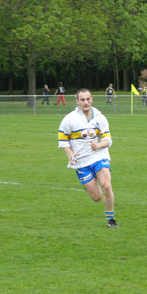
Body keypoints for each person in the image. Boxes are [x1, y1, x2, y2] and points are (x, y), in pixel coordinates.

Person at [58, 88, 118, 228]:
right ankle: (90, 183)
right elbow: (62, 140)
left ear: (92, 100)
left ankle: (111, 219)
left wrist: (98, 146)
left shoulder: (100, 117)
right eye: (82, 100)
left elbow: (108, 140)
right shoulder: (69, 119)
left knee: (107, 186)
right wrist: (70, 154)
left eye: (88, 99)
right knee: (96, 197)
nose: (85, 102)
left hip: (99, 156)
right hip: (81, 161)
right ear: (77, 101)